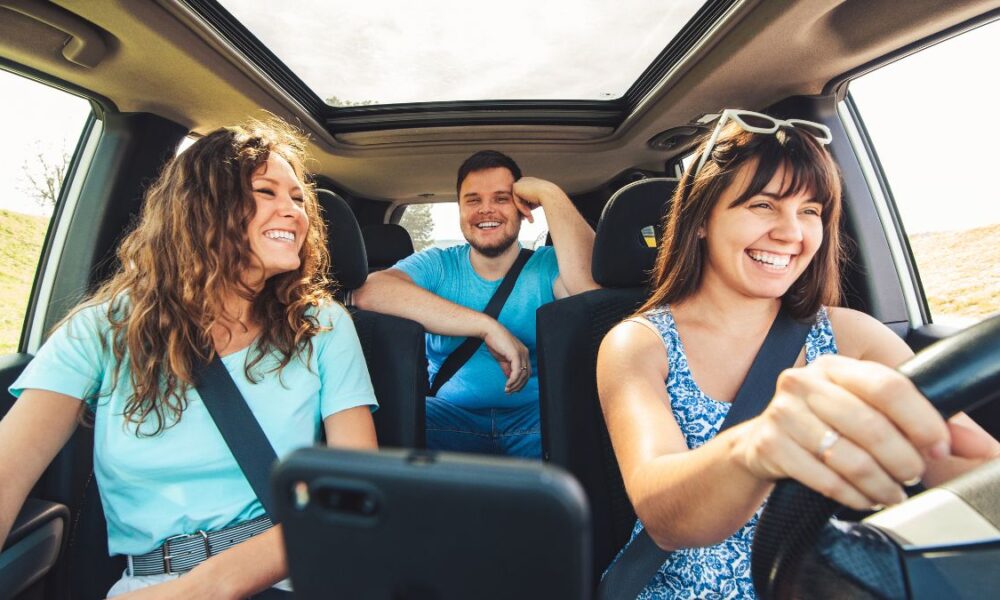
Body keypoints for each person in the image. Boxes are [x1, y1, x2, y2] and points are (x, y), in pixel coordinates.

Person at [597, 109, 999, 598]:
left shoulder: (854, 336)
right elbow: (664, 515)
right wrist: (758, 447)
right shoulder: (637, 343)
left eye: (811, 211)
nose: (792, 232)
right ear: (701, 220)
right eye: (764, 205)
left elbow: (971, 469)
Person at [0, 120, 378, 598]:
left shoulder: (322, 326)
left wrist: (204, 588)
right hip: (149, 585)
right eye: (267, 191)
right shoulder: (104, 329)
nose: (295, 212)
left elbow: (354, 488)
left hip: (288, 575)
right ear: (203, 207)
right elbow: (7, 473)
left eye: (299, 199)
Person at [354, 150, 598, 458]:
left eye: (501, 198)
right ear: (459, 209)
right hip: (445, 420)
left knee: (591, 420)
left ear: (523, 208)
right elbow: (370, 292)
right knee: (388, 419)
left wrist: (549, 193)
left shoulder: (549, 264)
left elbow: (589, 289)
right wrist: (485, 327)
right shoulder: (438, 264)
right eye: (473, 200)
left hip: (538, 422)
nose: (486, 210)